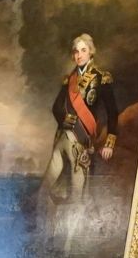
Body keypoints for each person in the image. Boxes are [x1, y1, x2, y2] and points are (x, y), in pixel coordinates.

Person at [44, 33, 120, 244]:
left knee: (79, 194)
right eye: (76, 51)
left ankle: (71, 243)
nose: (79, 55)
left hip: (83, 141)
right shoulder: (69, 80)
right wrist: (65, 118)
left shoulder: (101, 78)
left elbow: (113, 113)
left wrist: (109, 143)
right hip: (63, 138)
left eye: (83, 50)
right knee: (48, 187)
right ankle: (50, 235)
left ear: (91, 52)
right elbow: (56, 108)